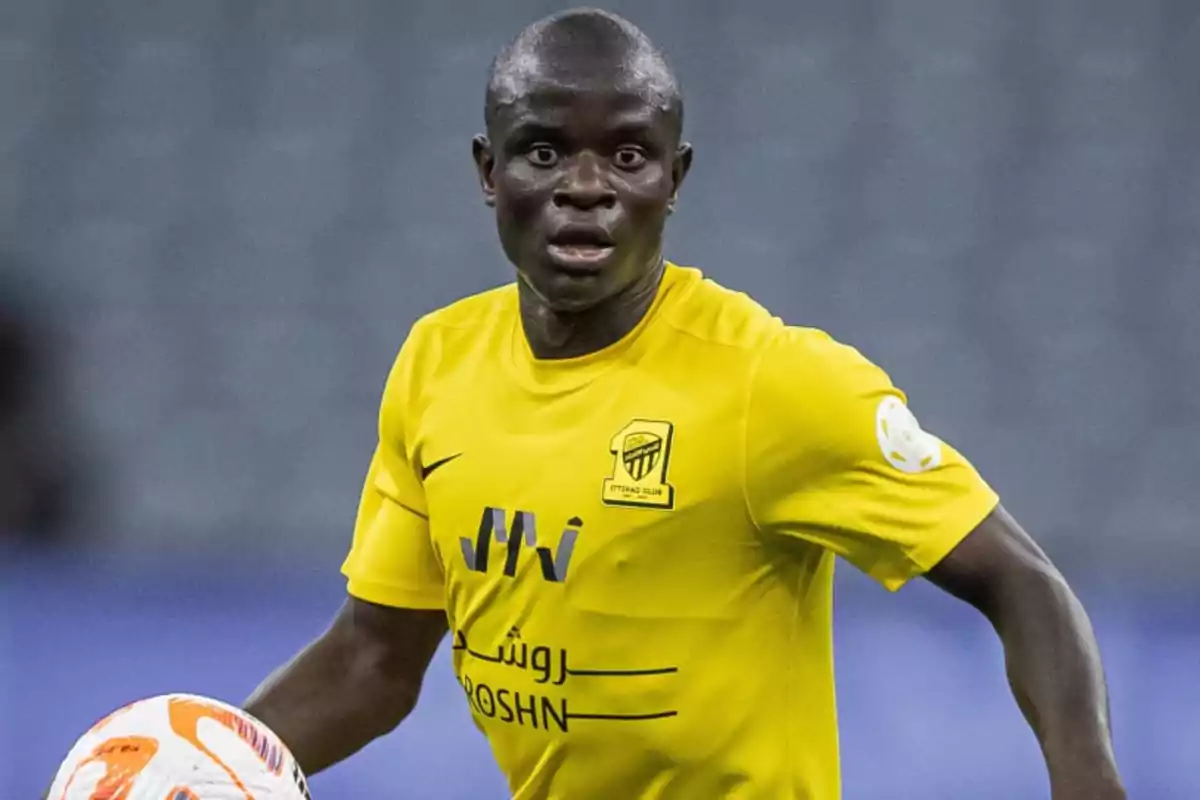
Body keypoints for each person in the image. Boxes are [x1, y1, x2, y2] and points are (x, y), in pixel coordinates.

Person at [244, 8, 1125, 799]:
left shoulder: (773, 384)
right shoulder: (437, 361)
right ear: (489, 169)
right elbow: (372, 660)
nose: (584, 186)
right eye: (543, 150)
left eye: (627, 155)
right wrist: (197, 761)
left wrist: (1085, 778)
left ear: (676, 177)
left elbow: (1024, 583)